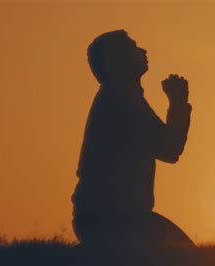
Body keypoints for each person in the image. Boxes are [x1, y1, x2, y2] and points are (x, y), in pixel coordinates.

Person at [71, 29, 194, 253]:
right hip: (113, 220)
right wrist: (177, 102)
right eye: (133, 47)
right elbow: (170, 149)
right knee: (183, 254)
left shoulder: (122, 97)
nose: (143, 51)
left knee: (184, 252)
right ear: (120, 60)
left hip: (114, 218)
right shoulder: (121, 103)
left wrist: (178, 104)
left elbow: (168, 148)